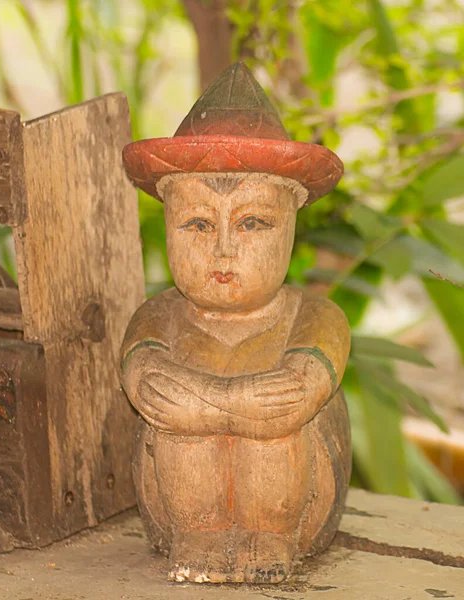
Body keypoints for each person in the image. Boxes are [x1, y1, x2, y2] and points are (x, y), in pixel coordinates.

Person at [120, 62, 351, 584]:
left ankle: (271, 534)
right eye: (198, 223)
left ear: (292, 226)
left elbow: (299, 388)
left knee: (277, 425)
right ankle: (197, 531)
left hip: (291, 506)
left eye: (252, 223)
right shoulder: (159, 315)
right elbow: (148, 378)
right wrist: (227, 403)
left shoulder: (313, 317)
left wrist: (214, 403)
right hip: (181, 507)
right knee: (176, 423)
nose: (223, 249)